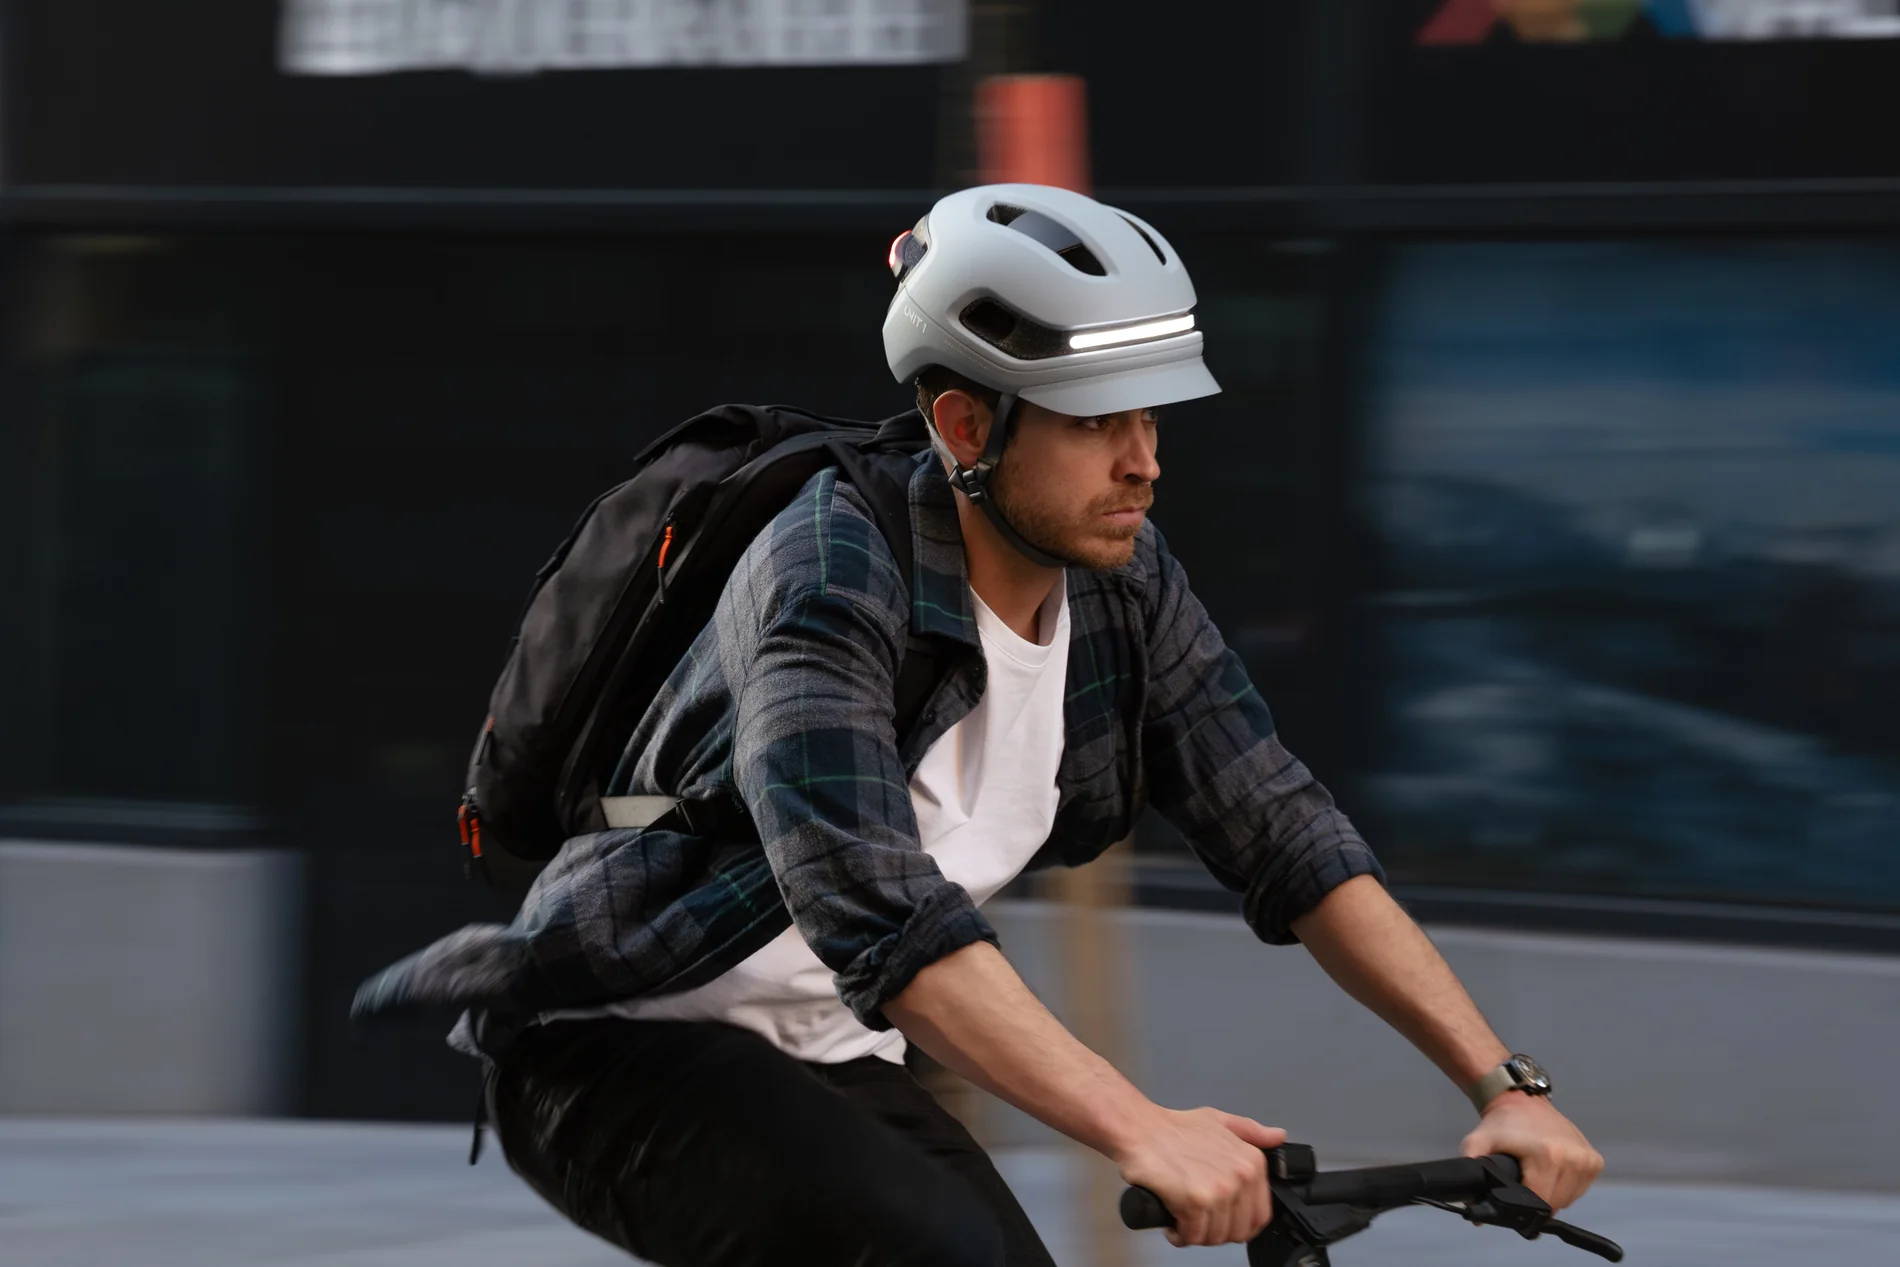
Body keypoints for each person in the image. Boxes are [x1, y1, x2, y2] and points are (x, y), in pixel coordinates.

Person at [353, 183, 1603, 1266]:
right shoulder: (828, 575)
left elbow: (1282, 828)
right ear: (965, 426)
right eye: (1096, 419)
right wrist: (1139, 1125)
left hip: (829, 1050)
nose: (1143, 461)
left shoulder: (1123, 582)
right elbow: (880, 910)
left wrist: (1504, 1081)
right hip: (623, 1044)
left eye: (1152, 415)